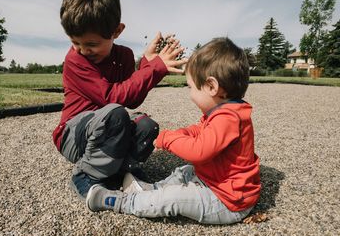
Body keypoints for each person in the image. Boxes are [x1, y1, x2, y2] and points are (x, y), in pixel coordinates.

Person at [85, 37, 261, 225]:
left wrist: (168, 139)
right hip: (215, 183)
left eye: (191, 87)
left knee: (174, 197)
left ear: (211, 87)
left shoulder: (228, 118)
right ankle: (151, 190)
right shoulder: (226, 112)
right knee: (185, 171)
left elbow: (199, 151)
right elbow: (200, 131)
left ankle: (120, 202)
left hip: (226, 202)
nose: (190, 93)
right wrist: (182, 133)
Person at [53, 0, 186, 200]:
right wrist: (155, 68)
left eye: (91, 44)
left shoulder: (124, 56)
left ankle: (122, 170)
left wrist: (146, 63)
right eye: (75, 42)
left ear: (117, 31)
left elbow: (131, 99)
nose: (82, 50)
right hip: (73, 136)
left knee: (146, 125)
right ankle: (86, 175)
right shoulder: (75, 61)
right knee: (115, 114)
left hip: (107, 126)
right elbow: (111, 97)